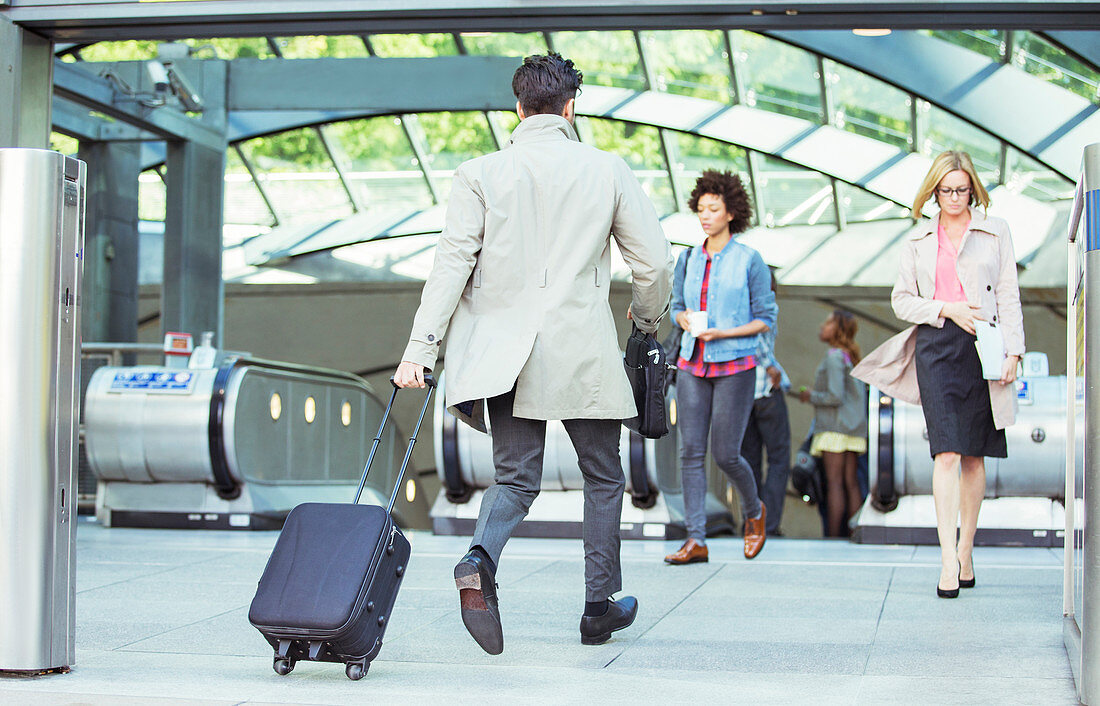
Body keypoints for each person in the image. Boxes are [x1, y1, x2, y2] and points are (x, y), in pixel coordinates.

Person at [393, 53, 673, 652]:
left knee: (515, 478)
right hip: (582, 352)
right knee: (602, 477)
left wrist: (420, 348)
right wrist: (647, 322)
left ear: (518, 108)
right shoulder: (608, 169)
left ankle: (479, 558)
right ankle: (599, 607)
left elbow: (450, 264)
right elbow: (653, 263)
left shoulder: (478, 173)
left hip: (505, 358)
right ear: (571, 108)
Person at [852, 150, 1024, 599]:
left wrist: (1014, 351)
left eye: (961, 190)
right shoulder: (917, 240)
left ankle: (967, 547)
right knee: (945, 451)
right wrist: (945, 308)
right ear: (933, 191)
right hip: (936, 345)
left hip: (984, 345)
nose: (953, 197)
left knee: (974, 454)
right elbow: (901, 301)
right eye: (946, 190)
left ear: (973, 190)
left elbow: (1008, 291)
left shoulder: (995, 230)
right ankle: (947, 557)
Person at [663, 170, 777, 565]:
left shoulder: (750, 260)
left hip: (736, 364)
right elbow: (676, 307)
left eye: (714, 209)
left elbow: (766, 317)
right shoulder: (689, 257)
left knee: (727, 454)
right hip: (692, 363)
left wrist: (724, 333)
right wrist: (685, 321)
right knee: (690, 453)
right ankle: (696, 539)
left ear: (731, 212)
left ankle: (754, 511)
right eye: (700, 209)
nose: (705, 215)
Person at [797, 310, 867, 538]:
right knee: (851, 483)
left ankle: (834, 537)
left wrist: (811, 396)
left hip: (835, 429)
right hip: (853, 429)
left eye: (828, 322)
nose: (822, 326)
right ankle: (856, 533)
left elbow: (835, 396)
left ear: (837, 329)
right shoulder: (850, 355)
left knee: (835, 484)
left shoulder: (834, 356)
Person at [740, 269, 791, 537]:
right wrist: (771, 366)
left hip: (744, 392)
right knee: (779, 460)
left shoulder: (737, 303)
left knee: (748, 461)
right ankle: (768, 525)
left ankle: (750, 524)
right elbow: (759, 342)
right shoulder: (766, 304)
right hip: (767, 393)